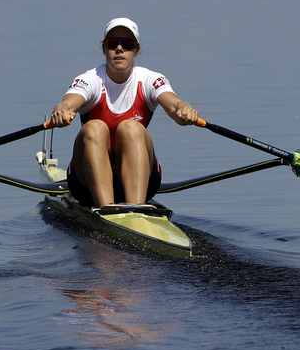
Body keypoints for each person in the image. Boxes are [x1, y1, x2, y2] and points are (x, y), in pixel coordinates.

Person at [49, 18, 199, 208]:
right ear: (104, 49)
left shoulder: (150, 79)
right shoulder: (90, 79)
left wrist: (185, 110)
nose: (119, 48)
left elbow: (175, 105)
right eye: (113, 43)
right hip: (87, 183)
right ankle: (107, 209)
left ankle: (135, 209)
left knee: (131, 128)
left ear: (136, 50)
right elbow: (67, 104)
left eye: (127, 44)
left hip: (142, 179)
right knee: (94, 126)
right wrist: (61, 112)